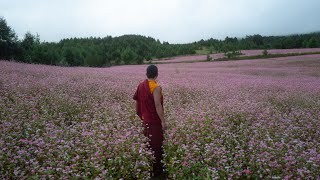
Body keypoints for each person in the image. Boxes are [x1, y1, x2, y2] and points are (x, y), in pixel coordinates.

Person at [133, 64, 167, 178]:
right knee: (156, 146)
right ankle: (157, 173)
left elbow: (137, 102)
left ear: (147, 73)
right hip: (154, 122)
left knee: (148, 145)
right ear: (156, 74)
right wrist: (163, 121)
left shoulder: (141, 85)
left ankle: (148, 169)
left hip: (146, 120)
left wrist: (142, 115)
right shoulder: (155, 87)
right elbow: (158, 105)